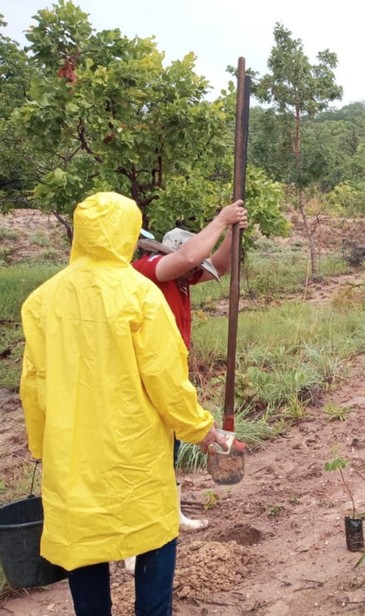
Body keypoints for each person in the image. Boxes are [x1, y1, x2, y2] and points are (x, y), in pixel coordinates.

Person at [20, 191, 228, 616]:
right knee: (152, 532)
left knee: (84, 539)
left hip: (72, 449)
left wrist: (42, 447)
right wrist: (200, 429)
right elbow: (166, 380)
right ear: (129, 233)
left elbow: (34, 386)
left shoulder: (42, 300)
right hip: (133, 449)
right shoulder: (140, 295)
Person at [132, 200, 248, 531]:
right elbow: (187, 258)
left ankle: (171, 514)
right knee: (149, 453)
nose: (195, 272)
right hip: (147, 372)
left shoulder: (181, 277)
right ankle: (139, 533)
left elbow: (219, 266)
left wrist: (231, 233)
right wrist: (221, 218)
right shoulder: (148, 268)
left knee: (171, 446)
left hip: (170, 367)